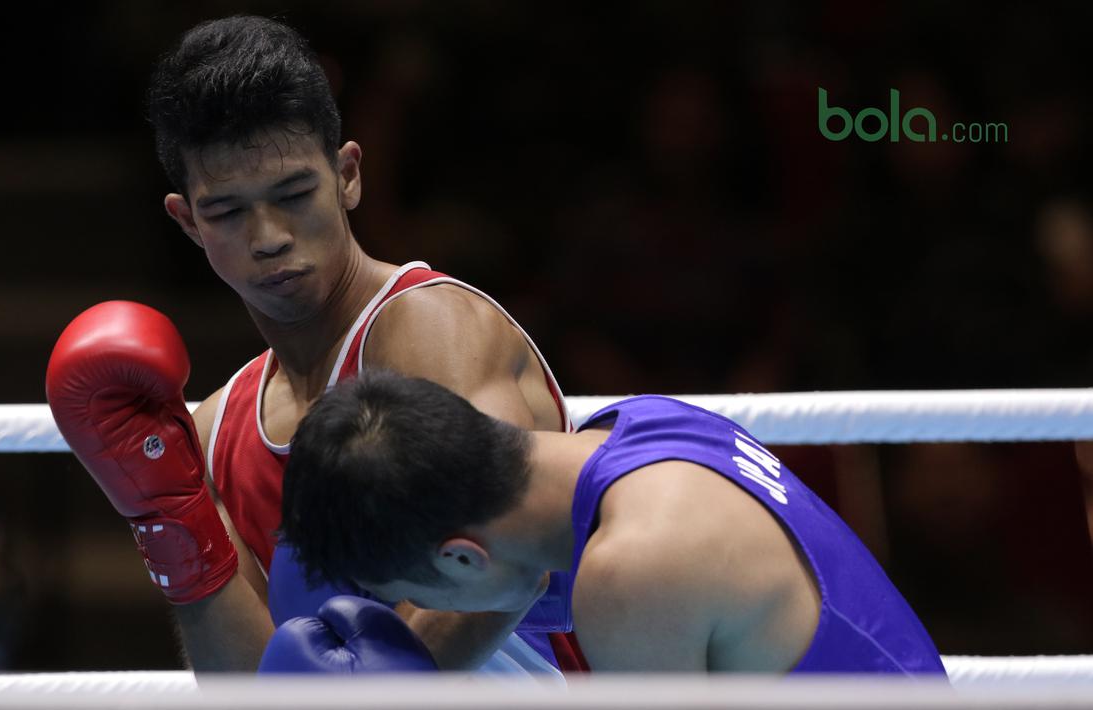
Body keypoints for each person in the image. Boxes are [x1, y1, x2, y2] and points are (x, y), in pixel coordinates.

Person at [46, 15, 582, 675]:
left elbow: (509, 563)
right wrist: (171, 516)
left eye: (294, 194)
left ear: (348, 176)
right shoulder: (214, 430)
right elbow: (252, 685)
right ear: (187, 221)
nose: (268, 235)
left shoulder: (430, 328)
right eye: (227, 211)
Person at [278, 370, 949, 674]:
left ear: (461, 559)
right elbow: (518, 587)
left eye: (417, 598)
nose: (423, 615)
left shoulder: (630, 571)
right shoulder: (637, 424)